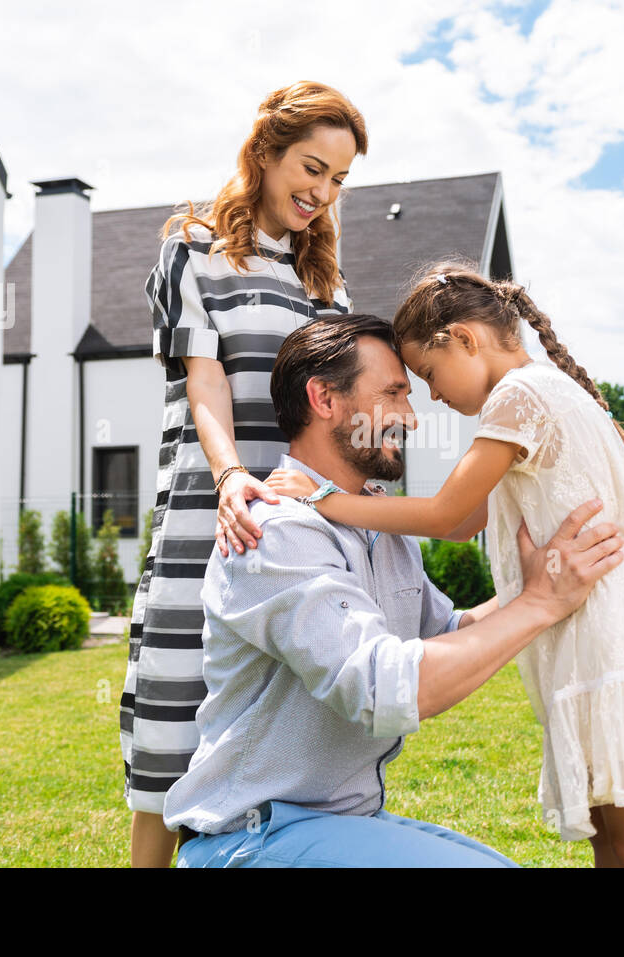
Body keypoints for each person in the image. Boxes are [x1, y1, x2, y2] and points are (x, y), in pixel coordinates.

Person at [264, 262, 624, 868]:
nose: (433, 397)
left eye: (429, 375)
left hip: (606, 639)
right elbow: (470, 521)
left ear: (464, 339)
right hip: (601, 633)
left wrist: (326, 501)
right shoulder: (544, 396)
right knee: (614, 834)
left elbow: (445, 515)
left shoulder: (518, 398)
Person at [167, 314, 624, 867]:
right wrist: (538, 603)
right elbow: (386, 689)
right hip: (249, 838)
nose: (410, 417)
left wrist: (545, 584)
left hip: (338, 823)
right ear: (324, 399)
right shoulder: (274, 532)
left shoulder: (377, 524)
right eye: (394, 394)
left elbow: (448, 636)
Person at [121, 81, 367, 867]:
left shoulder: (327, 287)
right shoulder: (192, 249)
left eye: (337, 179)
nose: (321, 192)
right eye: (311, 166)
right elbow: (207, 381)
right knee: (170, 755)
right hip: (208, 521)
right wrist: (231, 478)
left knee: (279, 761)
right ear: (264, 152)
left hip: (294, 542)